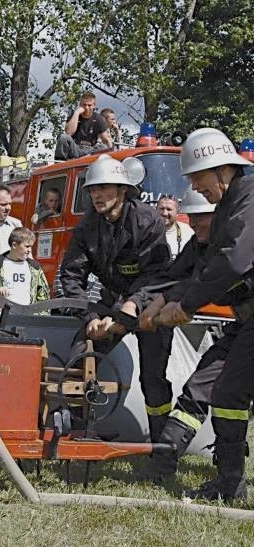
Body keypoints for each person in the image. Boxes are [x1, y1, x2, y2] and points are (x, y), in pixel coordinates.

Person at [140, 128, 254, 501]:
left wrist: (185, 306)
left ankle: (231, 482)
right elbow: (200, 270)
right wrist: (170, 300)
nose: (194, 187)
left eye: (198, 179)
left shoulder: (249, 199)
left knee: (228, 392)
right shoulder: (230, 206)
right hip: (245, 318)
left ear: (221, 169)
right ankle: (230, 481)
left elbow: (232, 261)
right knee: (222, 391)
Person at [59, 154, 173, 441]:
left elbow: (157, 276)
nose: (97, 195)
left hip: (151, 305)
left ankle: (160, 446)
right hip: (111, 304)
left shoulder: (147, 220)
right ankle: (80, 435)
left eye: (104, 188)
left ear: (123, 190)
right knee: (79, 361)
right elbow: (72, 276)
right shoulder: (86, 228)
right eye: (93, 189)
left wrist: (129, 307)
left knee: (153, 378)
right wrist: (90, 318)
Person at [131, 187, 218, 483]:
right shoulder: (199, 243)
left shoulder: (236, 241)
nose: (194, 224)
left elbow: (217, 278)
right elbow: (175, 275)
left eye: (202, 218)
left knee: (219, 394)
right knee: (204, 392)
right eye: (191, 217)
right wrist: (153, 302)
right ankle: (168, 466)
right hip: (243, 330)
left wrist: (182, 305)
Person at [0, 227, 50, 305]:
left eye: (31, 246)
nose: (30, 250)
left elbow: (44, 296)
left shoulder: (35, 267)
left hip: (27, 315)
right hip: (2, 315)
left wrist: (39, 316)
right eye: (27, 246)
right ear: (14, 245)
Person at [55, 91, 112, 160]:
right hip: (76, 148)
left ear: (94, 105)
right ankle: (60, 164)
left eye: (89, 105)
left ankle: (86, 159)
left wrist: (113, 157)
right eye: (84, 105)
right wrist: (77, 113)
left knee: (103, 147)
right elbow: (68, 133)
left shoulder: (99, 118)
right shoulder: (74, 115)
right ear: (80, 104)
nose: (86, 108)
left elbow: (106, 140)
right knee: (63, 137)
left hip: (91, 151)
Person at [156, 195, 194, 260]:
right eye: (161, 209)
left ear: (177, 211)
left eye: (169, 209)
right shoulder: (147, 231)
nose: (165, 213)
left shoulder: (189, 231)